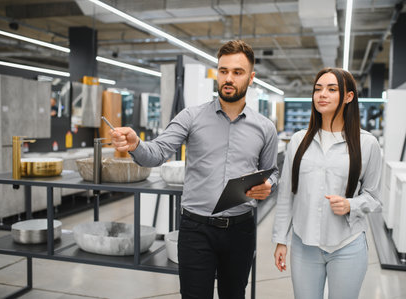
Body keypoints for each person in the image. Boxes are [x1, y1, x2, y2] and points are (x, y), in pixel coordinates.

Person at [110, 40, 279, 299]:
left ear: (251, 77)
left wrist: (268, 186)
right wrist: (136, 145)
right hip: (196, 230)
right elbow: (156, 154)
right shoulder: (191, 117)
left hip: (240, 230)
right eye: (223, 71)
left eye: (237, 72)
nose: (229, 78)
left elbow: (271, 171)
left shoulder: (265, 128)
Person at [272, 68, 381, 299]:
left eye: (332, 89)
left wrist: (351, 204)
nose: (322, 94)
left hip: (347, 245)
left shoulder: (367, 144)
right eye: (318, 89)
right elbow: (285, 195)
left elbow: (374, 197)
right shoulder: (299, 141)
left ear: (348, 97)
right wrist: (281, 239)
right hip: (304, 245)